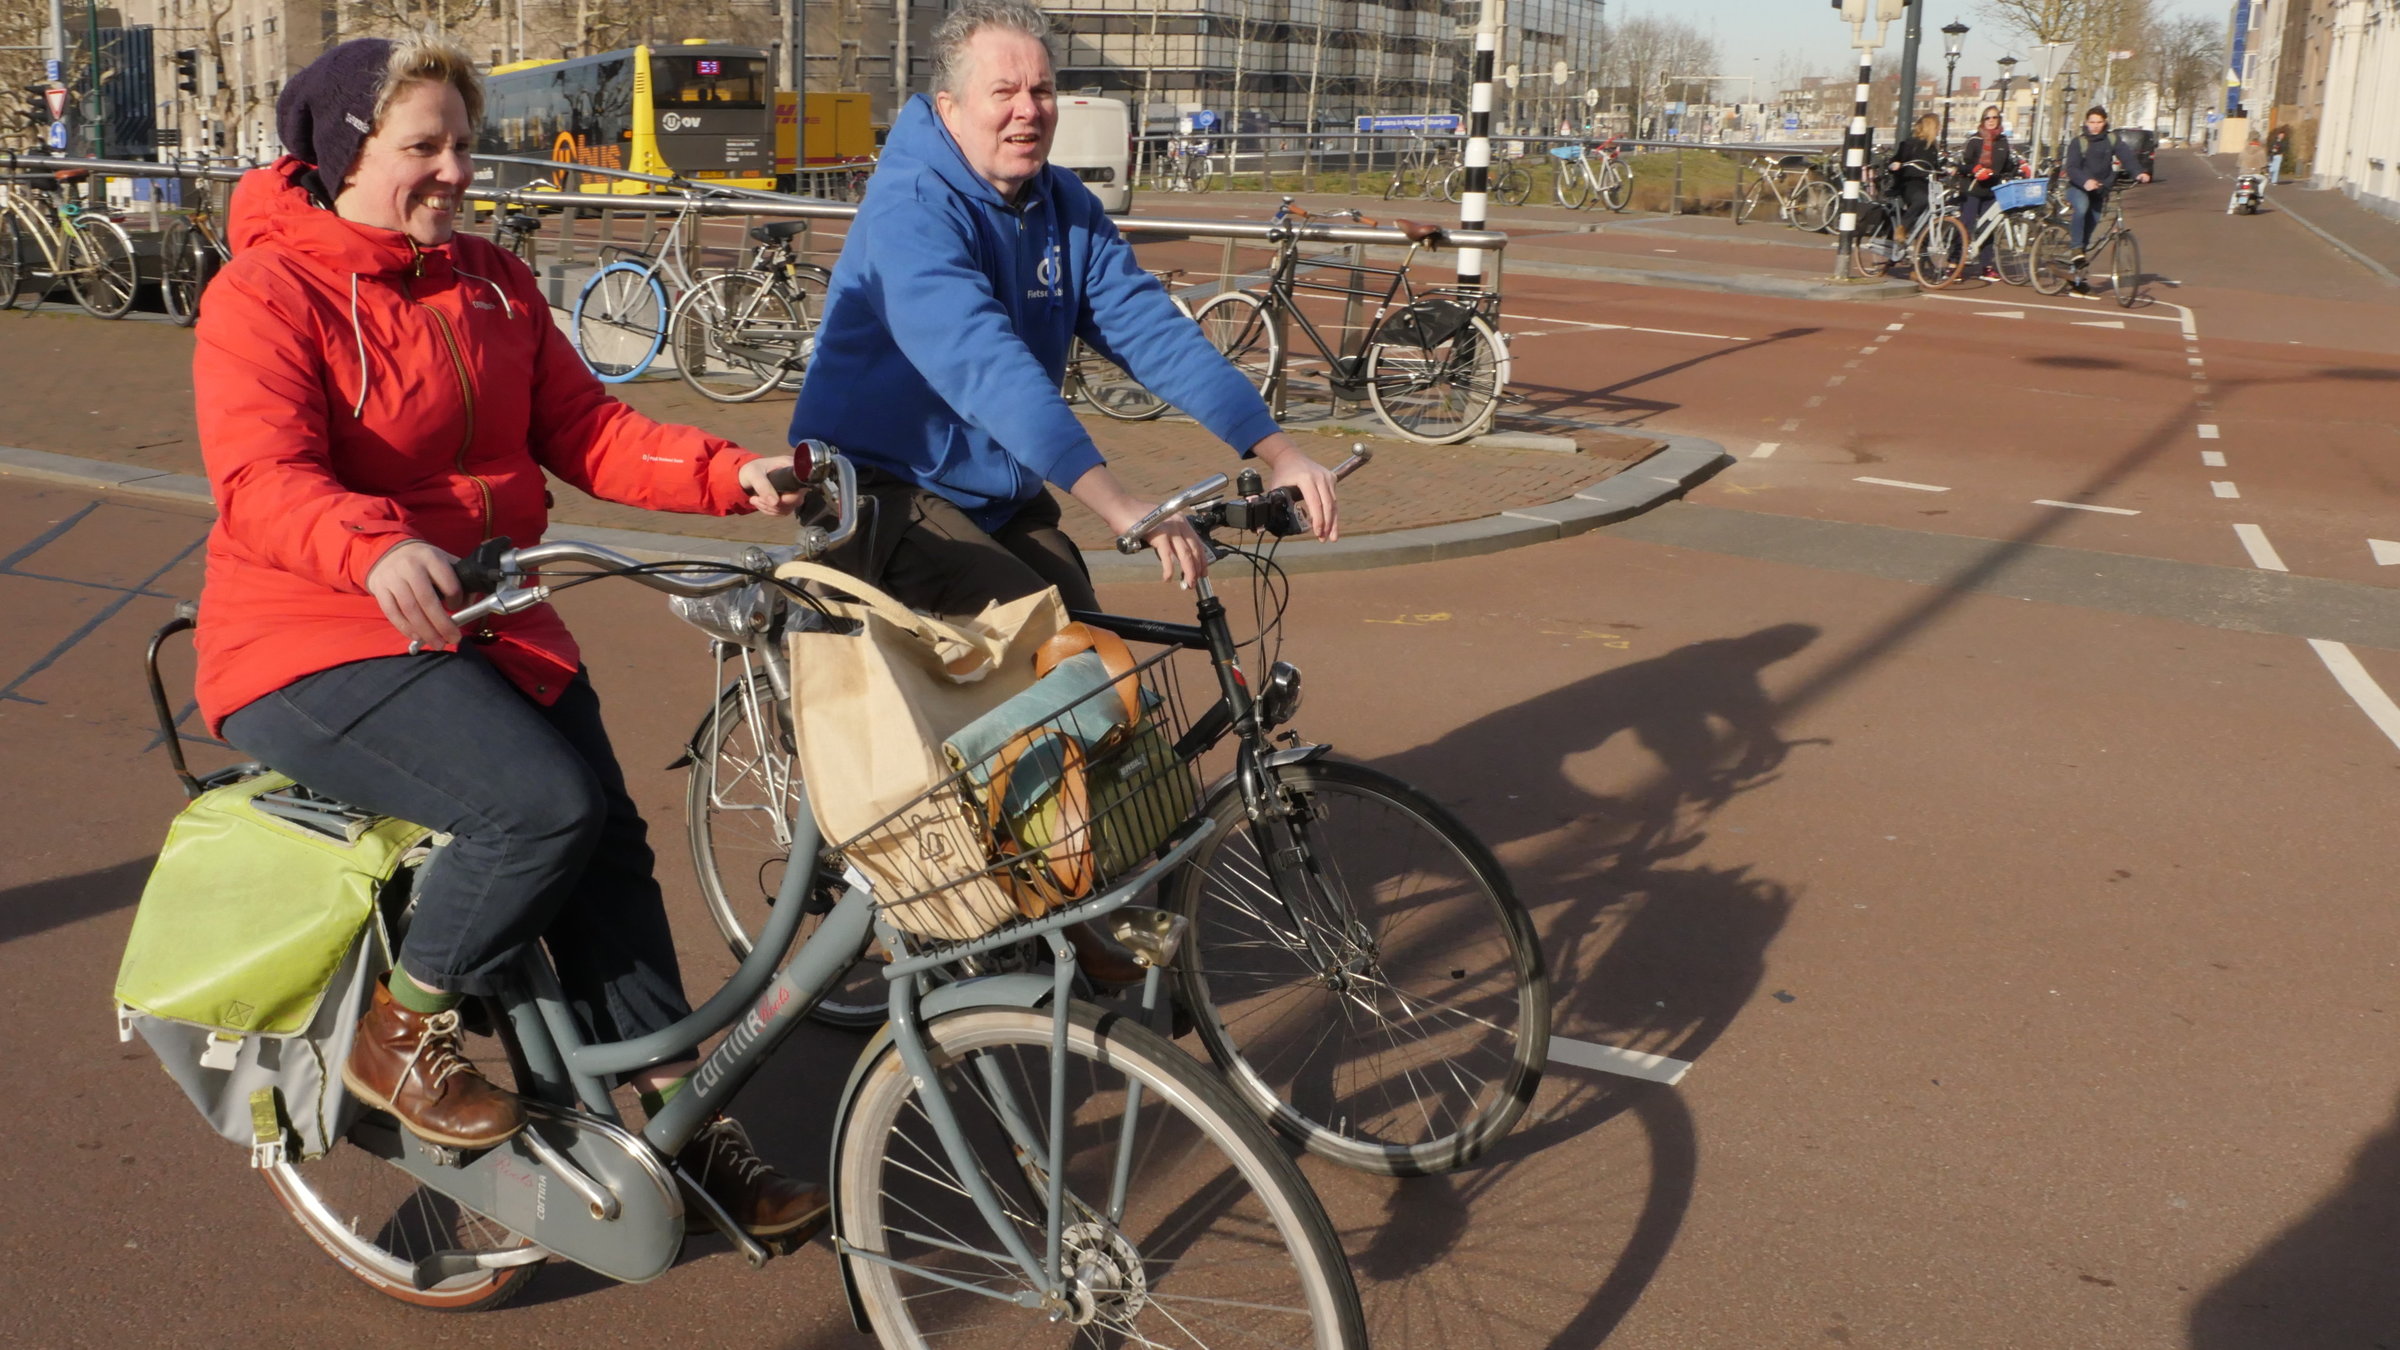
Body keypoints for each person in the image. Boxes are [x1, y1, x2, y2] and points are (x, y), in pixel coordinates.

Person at [192, 38, 823, 1239]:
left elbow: (586, 430)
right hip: (312, 631)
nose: (451, 170)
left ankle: (671, 1117)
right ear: (343, 154)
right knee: (536, 809)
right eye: (419, 147)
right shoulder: (268, 292)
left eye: (462, 145)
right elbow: (263, 479)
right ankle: (403, 1027)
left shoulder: (489, 281)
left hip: (488, 615)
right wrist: (373, 548)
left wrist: (733, 472)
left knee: (609, 850)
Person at [788, 0, 1341, 981]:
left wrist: (1271, 447)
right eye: (1004, 91)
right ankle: (1050, 916)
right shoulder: (914, 205)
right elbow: (983, 365)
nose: (1027, 110)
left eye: (1041, 89)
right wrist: (1117, 498)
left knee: (1094, 655)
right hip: (881, 486)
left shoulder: (1059, 207)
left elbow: (1152, 329)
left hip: (988, 488)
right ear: (949, 105)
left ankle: (1065, 885)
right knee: (1038, 653)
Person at [2060, 105, 2152, 294]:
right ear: (2086, 123)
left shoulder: (2111, 139)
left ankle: (2077, 278)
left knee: (2090, 229)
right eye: (2092, 122)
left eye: (2099, 122)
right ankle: (2076, 249)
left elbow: (2127, 157)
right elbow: (2072, 168)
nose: (2095, 126)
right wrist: (2085, 181)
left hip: (2100, 190)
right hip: (2078, 187)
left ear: (2105, 122)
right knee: (2082, 208)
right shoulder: (2079, 142)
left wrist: (2139, 173)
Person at [1955, 105, 2017, 281]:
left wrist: (2016, 170)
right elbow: (1963, 164)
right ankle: (1955, 264)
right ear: (1982, 121)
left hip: (1992, 189)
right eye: (1987, 118)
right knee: (1965, 225)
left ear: (1999, 120)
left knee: (1988, 227)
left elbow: (2006, 165)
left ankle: (1986, 266)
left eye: (1994, 118)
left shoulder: (2003, 141)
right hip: (1973, 188)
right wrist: (1975, 169)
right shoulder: (1975, 140)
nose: (1991, 121)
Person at [1885, 112, 1944, 249]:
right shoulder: (1910, 144)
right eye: (1937, 126)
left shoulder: (1932, 148)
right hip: (1910, 184)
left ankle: (1919, 263)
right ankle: (1902, 227)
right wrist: (1896, 164)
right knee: (1922, 199)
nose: (1939, 129)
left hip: (1928, 184)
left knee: (1934, 211)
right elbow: (1896, 160)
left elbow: (1935, 167)